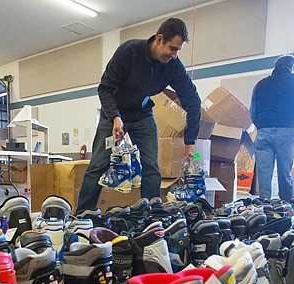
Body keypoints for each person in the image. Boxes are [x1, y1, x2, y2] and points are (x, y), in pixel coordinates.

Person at [76, 18, 201, 213]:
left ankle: (149, 216)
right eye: (172, 48)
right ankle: (81, 216)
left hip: (142, 115)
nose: (175, 55)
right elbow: (105, 89)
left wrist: (190, 140)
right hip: (114, 114)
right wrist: (115, 117)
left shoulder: (173, 66)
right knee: (98, 165)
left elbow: (193, 100)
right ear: (159, 39)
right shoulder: (129, 52)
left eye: (178, 50)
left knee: (151, 166)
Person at [250, 54, 294, 201]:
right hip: (286, 130)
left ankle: (265, 206)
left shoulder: (260, 84)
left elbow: (253, 111)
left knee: (264, 173)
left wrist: (262, 126)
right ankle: (286, 206)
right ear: (292, 67)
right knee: (285, 172)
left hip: (264, 131)